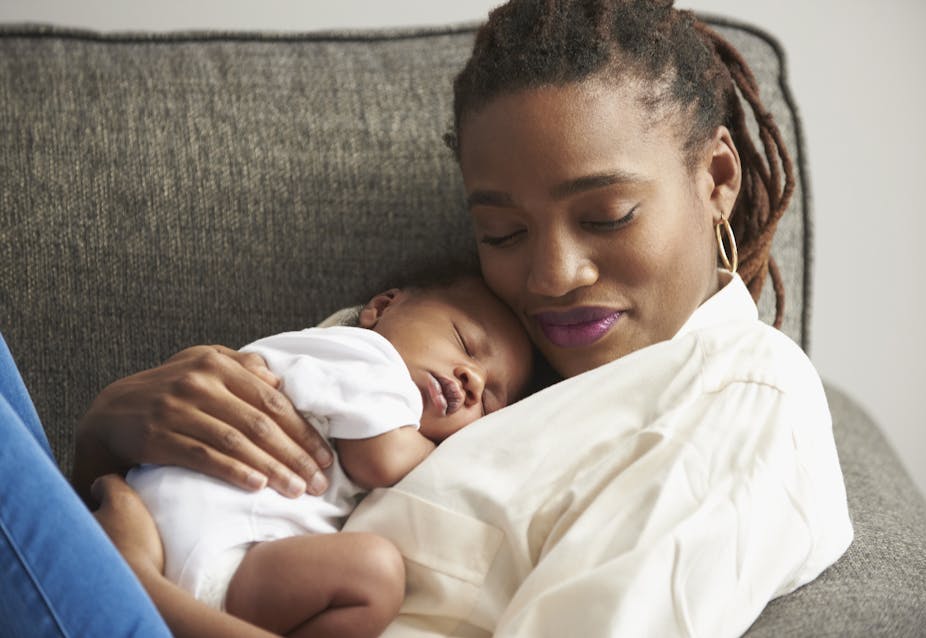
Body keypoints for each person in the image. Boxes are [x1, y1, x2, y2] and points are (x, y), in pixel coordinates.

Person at [6, 1, 853, 636]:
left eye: (606, 216)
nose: (553, 276)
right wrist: (112, 434)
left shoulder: (735, 399)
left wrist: (140, 589)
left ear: (717, 178)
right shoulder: (455, 337)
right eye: (503, 232)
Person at [123, 273, 534, 638]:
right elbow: (380, 460)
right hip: (208, 535)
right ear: (382, 307)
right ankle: (154, 598)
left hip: (181, 527)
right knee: (375, 573)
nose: (473, 378)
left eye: (490, 404)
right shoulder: (368, 355)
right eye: (465, 341)